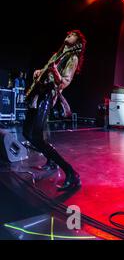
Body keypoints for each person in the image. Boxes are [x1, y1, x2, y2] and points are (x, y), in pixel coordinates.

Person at [23, 30, 86, 191]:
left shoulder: (72, 57)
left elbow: (63, 83)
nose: (68, 35)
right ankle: (50, 159)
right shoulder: (56, 55)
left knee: (36, 135)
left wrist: (54, 71)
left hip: (47, 96)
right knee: (26, 133)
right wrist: (40, 72)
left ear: (77, 43)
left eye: (72, 35)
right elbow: (45, 72)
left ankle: (71, 174)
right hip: (37, 95)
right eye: (68, 34)